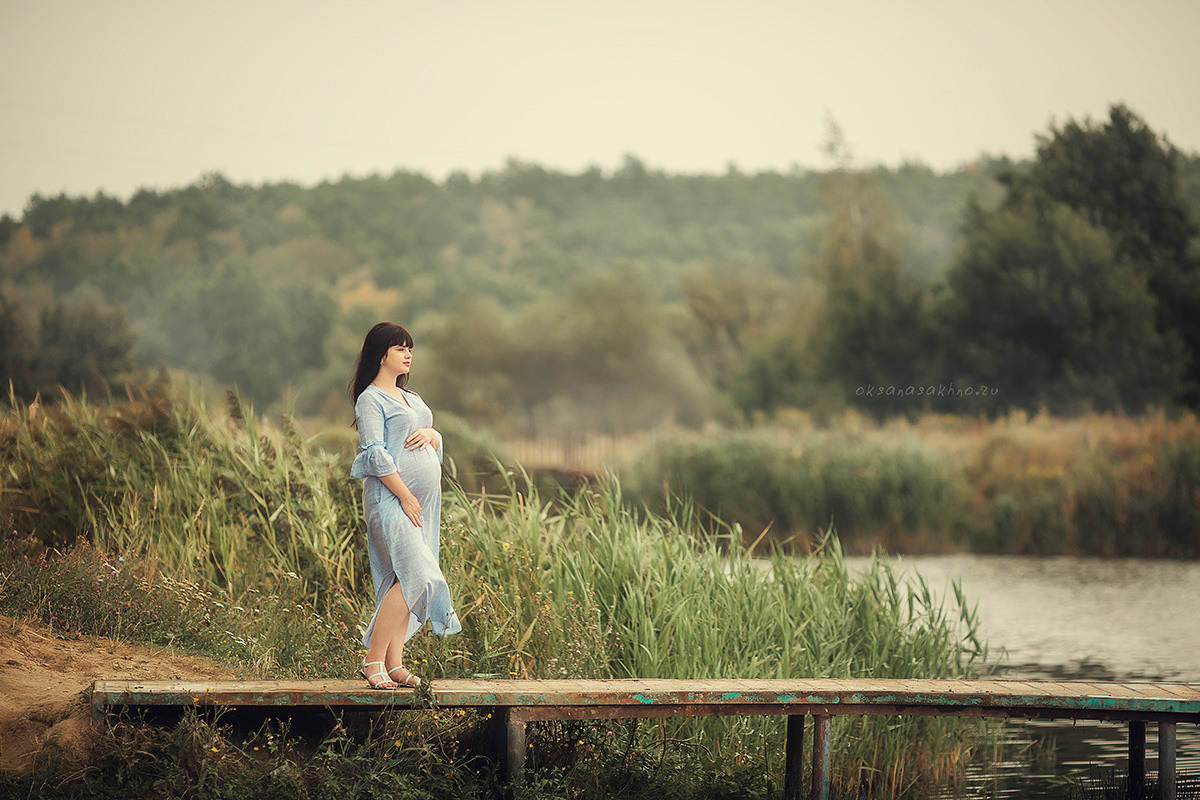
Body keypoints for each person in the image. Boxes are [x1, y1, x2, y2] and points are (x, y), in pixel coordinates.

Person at [349, 322, 460, 689]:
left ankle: (394, 663)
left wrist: (434, 434)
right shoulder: (370, 399)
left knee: (404, 579)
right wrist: (405, 495)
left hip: (421, 505)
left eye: (409, 347)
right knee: (419, 576)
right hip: (391, 500)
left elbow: (430, 435)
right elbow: (375, 455)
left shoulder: (411, 398)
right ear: (381, 355)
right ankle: (372, 661)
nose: (409, 354)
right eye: (400, 348)